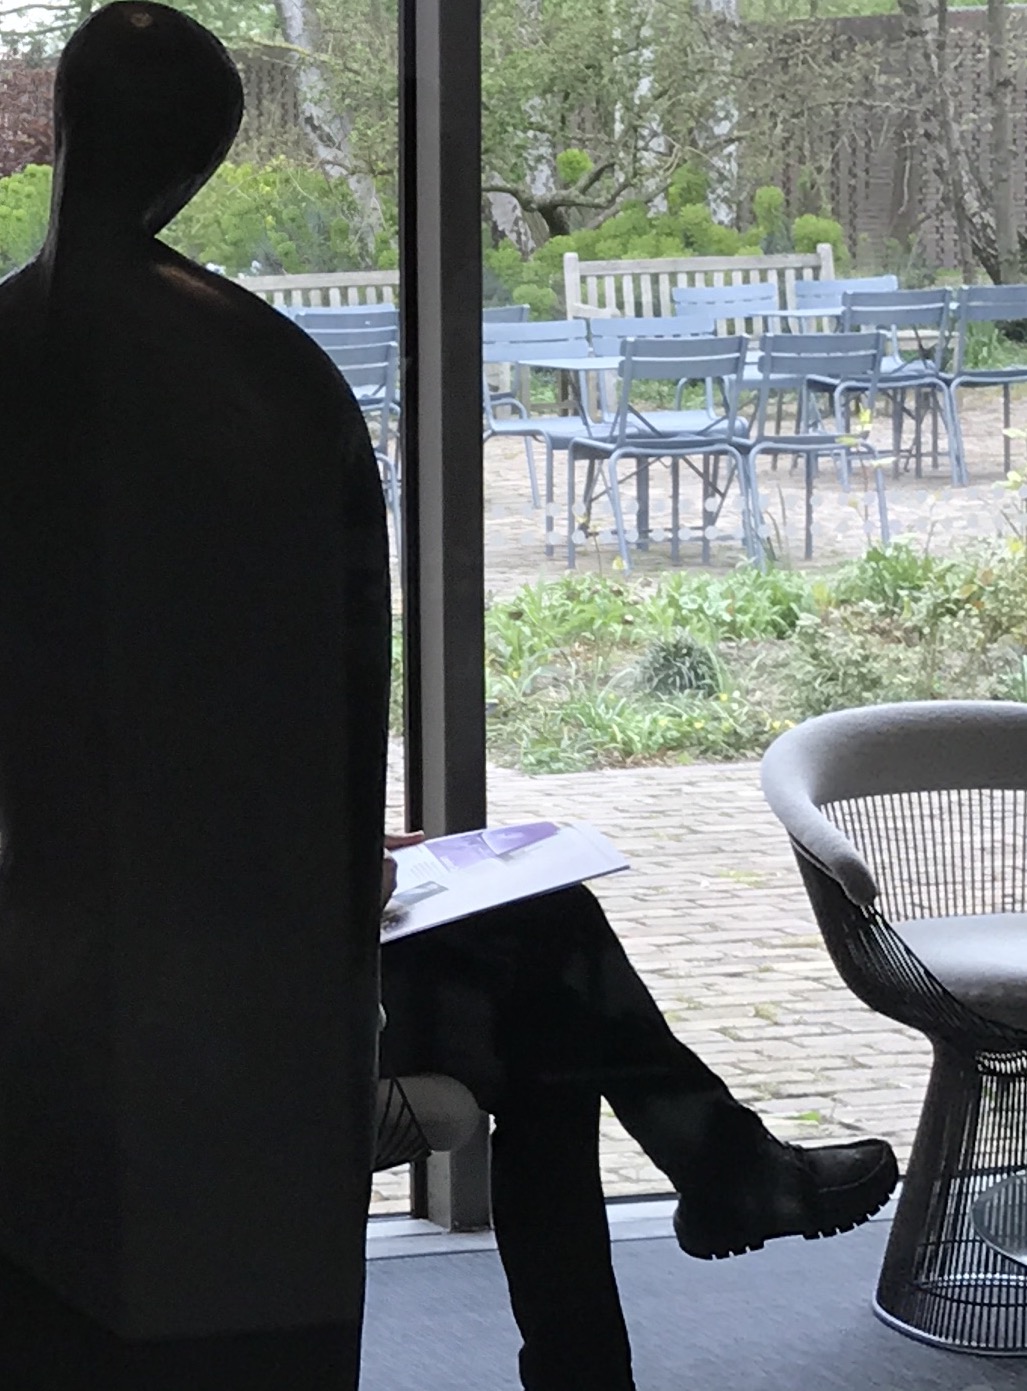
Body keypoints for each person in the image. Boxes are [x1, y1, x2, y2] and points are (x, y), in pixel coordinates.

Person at [378, 832, 898, 1391]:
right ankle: (730, 1172)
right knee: (551, 994)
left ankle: (728, 1173)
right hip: (308, 1024)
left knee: (550, 994)